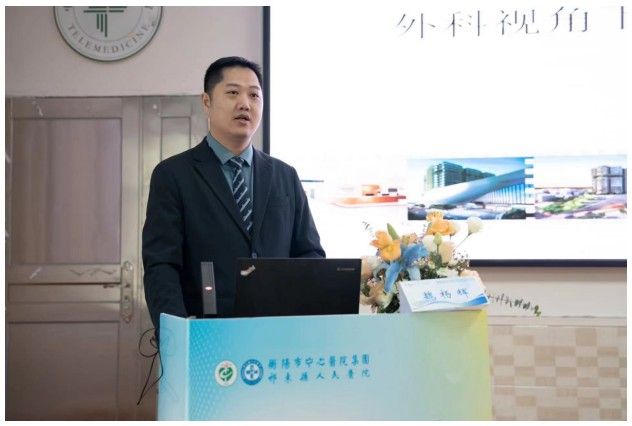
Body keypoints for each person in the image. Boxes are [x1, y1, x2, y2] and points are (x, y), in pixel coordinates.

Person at [142, 56, 325, 340]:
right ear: (206, 102)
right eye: (232, 92)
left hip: (277, 337)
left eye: (254, 95)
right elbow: (162, 266)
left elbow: (309, 255)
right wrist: (176, 336)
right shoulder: (173, 175)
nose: (245, 104)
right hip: (206, 337)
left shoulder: (284, 175)